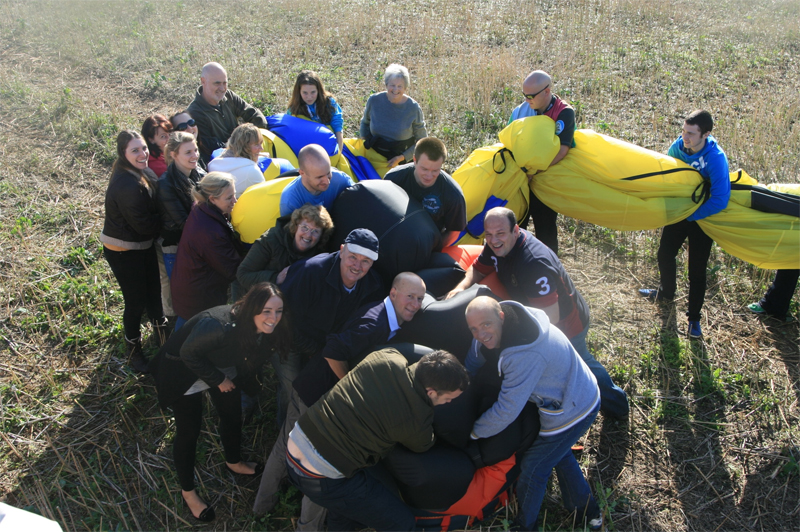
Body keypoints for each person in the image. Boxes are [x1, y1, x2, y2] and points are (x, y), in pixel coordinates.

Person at [253, 273, 427, 525]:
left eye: (420, 298)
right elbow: (333, 350)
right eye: (409, 296)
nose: (415, 303)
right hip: (316, 396)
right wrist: (349, 387)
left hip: (312, 388)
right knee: (319, 467)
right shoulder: (375, 323)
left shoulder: (385, 317)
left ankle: (262, 507)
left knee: (286, 450)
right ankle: (299, 524)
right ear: (393, 293)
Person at [447, 207, 629, 419]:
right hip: (535, 309)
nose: (493, 240)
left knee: (582, 366)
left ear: (515, 230)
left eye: (500, 234)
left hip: (567, 324)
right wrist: (460, 288)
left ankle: (616, 405)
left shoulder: (534, 264)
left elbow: (549, 319)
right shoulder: (496, 245)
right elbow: (478, 268)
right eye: (488, 234)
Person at [149, 282, 290, 523]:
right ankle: (188, 492)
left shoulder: (261, 328)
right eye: (267, 311)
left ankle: (234, 461)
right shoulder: (218, 325)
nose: (273, 318)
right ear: (251, 307)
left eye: (278, 311)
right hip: (185, 373)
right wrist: (218, 379)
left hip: (221, 367)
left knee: (232, 415)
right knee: (189, 431)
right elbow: (188, 354)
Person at [285, 349, 469, 531]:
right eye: (447, 398)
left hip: (296, 441)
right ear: (431, 392)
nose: (448, 403)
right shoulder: (418, 418)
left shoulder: (387, 356)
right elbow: (423, 445)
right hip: (322, 477)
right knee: (402, 524)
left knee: (344, 509)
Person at [464, 297, 602, 530]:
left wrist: (473, 433)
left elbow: (506, 411)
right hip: (573, 388)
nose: (480, 334)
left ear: (501, 316)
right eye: (473, 329)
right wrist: (464, 381)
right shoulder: (506, 319)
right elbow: (475, 354)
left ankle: (525, 525)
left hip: (574, 407)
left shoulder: (523, 355)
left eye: (485, 325)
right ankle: (588, 512)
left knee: (534, 467)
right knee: (558, 454)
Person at [273, 229, 383, 427]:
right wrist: (314, 350)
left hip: (326, 348)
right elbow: (283, 319)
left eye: (365, 261)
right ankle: (282, 428)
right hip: (290, 340)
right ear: (341, 251)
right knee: (291, 386)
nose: (357, 266)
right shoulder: (311, 271)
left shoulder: (372, 286)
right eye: (353, 257)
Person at [639, 110, 730, 338]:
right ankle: (666, 293)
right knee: (664, 254)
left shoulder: (716, 158)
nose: (684, 138)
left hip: (702, 218)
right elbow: (667, 175)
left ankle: (694, 319)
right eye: (683, 131)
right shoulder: (678, 147)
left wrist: (692, 215)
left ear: (706, 134)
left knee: (697, 271)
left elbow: (720, 199)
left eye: (691, 133)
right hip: (679, 213)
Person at [100, 130, 167, 372]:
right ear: (123, 153)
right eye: (135, 150)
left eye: (143, 148)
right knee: (135, 302)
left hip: (141, 244)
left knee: (154, 293)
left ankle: (163, 340)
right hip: (124, 251)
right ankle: (133, 351)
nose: (142, 154)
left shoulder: (139, 172)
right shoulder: (127, 184)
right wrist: (170, 220)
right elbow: (145, 225)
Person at [509, 70, 576, 254]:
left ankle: (549, 272)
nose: (527, 100)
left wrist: (535, 171)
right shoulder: (520, 111)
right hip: (521, 181)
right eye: (524, 95)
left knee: (545, 231)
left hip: (546, 181)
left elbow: (562, 150)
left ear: (547, 92)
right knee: (515, 228)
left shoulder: (564, 112)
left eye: (531, 96)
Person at [171, 172, 244, 328]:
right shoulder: (210, 231)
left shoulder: (201, 208)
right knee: (188, 337)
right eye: (229, 197)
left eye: (234, 195)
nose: (235, 201)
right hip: (198, 298)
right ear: (212, 199)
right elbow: (232, 269)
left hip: (189, 288)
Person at [156, 132, 207, 319]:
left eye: (195, 150)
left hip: (198, 240)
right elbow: (183, 222)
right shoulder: (166, 184)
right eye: (188, 152)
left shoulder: (199, 172)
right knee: (182, 299)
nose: (194, 155)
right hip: (176, 247)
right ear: (173, 155)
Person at [385, 137, 466, 247]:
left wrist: (433, 250)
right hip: (396, 236)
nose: (429, 176)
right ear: (414, 160)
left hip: (428, 243)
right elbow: (383, 212)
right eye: (424, 169)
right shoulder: (393, 179)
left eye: (435, 170)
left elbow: (454, 232)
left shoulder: (453, 194)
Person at [237, 204, 333, 291]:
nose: (308, 235)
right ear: (296, 226)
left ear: (322, 236)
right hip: (256, 298)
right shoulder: (270, 240)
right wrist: (276, 278)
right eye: (305, 227)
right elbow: (243, 274)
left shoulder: (320, 255)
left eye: (315, 231)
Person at [186, 62, 268, 162]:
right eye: (217, 83)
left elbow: (255, 116)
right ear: (203, 81)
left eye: (225, 83)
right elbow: (212, 148)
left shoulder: (228, 96)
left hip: (246, 152)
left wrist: (256, 140)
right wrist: (246, 147)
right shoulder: (195, 113)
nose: (222, 88)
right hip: (224, 161)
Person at [360, 63, 427, 169]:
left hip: (399, 161)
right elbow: (365, 122)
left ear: (405, 88)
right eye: (392, 85)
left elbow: (422, 140)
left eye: (400, 86)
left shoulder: (413, 108)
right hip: (373, 158)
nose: (395, 89)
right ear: (386, 85)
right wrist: (363, 143)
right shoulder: (374, 100)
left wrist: (402, 157)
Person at [278, 144, 354, 216]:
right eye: (319, 177)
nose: (327, 181)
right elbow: (291, 229)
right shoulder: (290, 200)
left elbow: (360, 195)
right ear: (302, 173)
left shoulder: (339, 179)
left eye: (328, 173)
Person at [287, 70, 344, 156]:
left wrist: (338, 154)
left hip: (329, 149)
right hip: (305, 151)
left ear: (319, 90)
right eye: (305, 93)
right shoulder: (294, 109)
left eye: (313, 92)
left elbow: (338, 129)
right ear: (299, 92)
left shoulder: (329, 103)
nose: (309, 97)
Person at [208, 123, 265, 198]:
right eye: (256, 144)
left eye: (261, 144)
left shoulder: (213, 164)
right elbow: (265, 198)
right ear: (244, 147)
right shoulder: (252, 171)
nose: (261, 148)